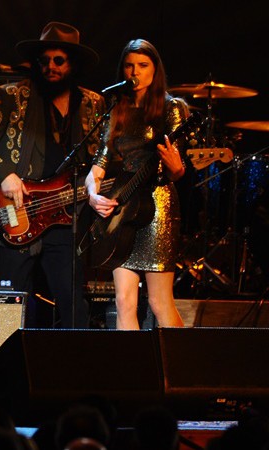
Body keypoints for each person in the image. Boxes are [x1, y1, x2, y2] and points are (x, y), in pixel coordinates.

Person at [0, 22, 106, 328]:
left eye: (59, 61)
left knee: (73, 308)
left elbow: (102, 157)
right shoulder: (13, 96)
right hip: (20, 212)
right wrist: (4, 175)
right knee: (14, 308)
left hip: (66, 219)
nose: (50, 67)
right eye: (44, 60)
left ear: (73, 64)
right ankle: (11, 370)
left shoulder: (93, 104)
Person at [85, 39, 187, 329]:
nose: (135, 72)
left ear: (155, 70)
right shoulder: (117, 108)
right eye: (130, 66)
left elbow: (179, 170)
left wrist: (176, 166)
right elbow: (100, 161)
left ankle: (179, 370)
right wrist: (92, 193)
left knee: (158, 302)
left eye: (143, 66)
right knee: (123, 302)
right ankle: (129, 372)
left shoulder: (171, 108)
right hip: (124, 204)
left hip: (157, 206)